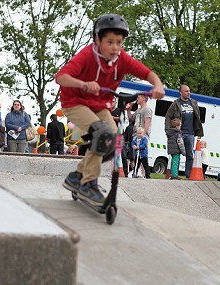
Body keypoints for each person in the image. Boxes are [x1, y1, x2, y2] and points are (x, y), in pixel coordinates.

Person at [57, 13, 165, 204]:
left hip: (99, 104)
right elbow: (61, 77)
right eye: (109, 42)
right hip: (75, 101)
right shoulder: (87, 55)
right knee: (102, 133)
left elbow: (147, 73)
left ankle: (77, 177)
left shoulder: (122, 59)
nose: (115, 47)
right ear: (97, 40)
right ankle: (88, 184)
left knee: (113, 141)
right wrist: (83, 83)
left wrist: (157, 85)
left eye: (119, 42)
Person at [165, 85, 203, 178]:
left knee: (189, 155)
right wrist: (167, 129)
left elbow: (198, 118)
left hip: (190, 133)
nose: (188, 93)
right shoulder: (175, 104)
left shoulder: (193, 103)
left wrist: (199, 132)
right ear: (181, 92)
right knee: (177, 154)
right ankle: (175, 174)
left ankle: (188, 175)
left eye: (189, 91)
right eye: (186, 91)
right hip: (179, 133)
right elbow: (168, 116)